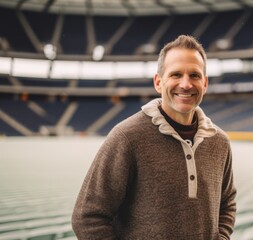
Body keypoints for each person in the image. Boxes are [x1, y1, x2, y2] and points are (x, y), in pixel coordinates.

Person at [72, 35, 237, 240]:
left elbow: (227, 202)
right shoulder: (127, 137)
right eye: (176, 74)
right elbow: (87, 217)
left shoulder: (219, 142)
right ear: (158, 82)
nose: (186, 84)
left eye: (194, 75)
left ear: (205, 83)